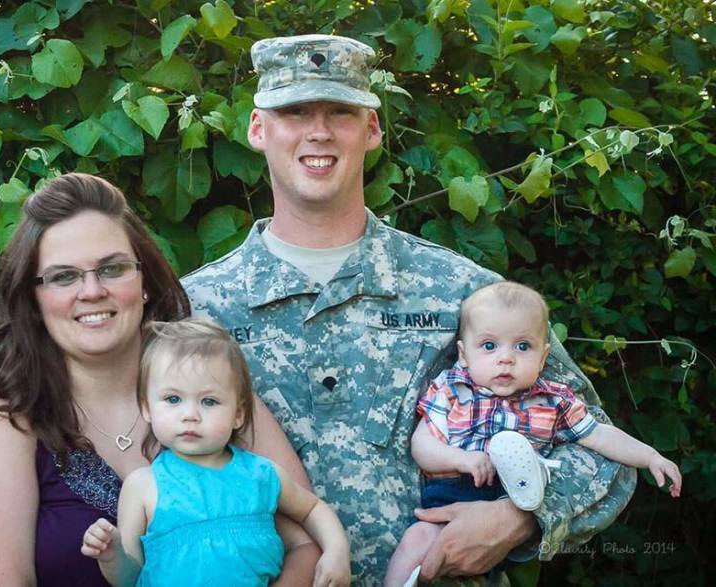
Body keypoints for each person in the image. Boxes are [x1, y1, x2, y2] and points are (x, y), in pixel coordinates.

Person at [180, 34, 637, 584]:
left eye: (342, 112)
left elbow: (601, 453)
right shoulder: (196, 308)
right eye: (295, 111)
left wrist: (516, 519)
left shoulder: (461, 292)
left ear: (371, 130)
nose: (319, 131)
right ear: (258, 129)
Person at [0, 173, 315, 586]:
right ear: (34, 299)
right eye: (63, 276)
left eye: (112, 268)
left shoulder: (212, 394)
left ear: (145, 283)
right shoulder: (2, 422)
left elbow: (307, 543)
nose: (92, 290)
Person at [384, 281, 682, 586]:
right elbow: (421, 445)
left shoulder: (553, 400)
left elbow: (599, 435)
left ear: (543, 357)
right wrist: (461, 459)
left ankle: (528, 480)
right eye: (489, 346)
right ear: (463, 354)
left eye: (522, 346)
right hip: (455, 490)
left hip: (506, 505)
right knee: (417, 539)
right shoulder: (451, 389)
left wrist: (651, 456)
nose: (506, 358)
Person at [81, 319, 351, 586]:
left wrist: (337, 551)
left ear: (238, 414)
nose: (190, 415)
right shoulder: (143, 486)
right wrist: (112, 555)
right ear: (147, 408)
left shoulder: (261, 474)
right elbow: (130, 579)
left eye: (209, 401)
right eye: (173, 399)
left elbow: (312, 508)